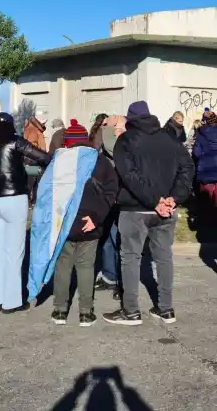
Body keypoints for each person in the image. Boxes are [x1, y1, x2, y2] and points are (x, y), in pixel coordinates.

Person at [102, 101, 194, 326]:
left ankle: (131, 310)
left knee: (130, 258)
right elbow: (188, 168)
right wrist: (174, 197)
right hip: (164, 208)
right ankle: (166, 307)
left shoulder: (126, 140)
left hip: (136, 208)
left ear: (130, 118)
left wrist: (160, 200)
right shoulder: (170, 138)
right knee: (164, 257)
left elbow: (129, 175)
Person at [0, 112, 50, 313]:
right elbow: (43, 157)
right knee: (14, 253)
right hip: (14, 198)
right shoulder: (15, 142)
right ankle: (12, 302)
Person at [49, 126, 119, 327]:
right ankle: (86, 313)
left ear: (67, 141)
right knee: (86, 267)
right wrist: (96, 217)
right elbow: (111, 191)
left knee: (63, 266)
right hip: (90, 223)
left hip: (64, 223)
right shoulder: (99, 161)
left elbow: (49, 193)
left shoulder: (59, 161)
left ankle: (60, 310)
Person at [95, 115, 126, 298]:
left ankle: (121, 282)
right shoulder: (113, 141)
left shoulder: (123, 143)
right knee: (107, 237)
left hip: (121, 198)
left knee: (118, 240)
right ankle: (109, 276)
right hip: (108, 196)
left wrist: (107, 127)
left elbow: (110, 146)